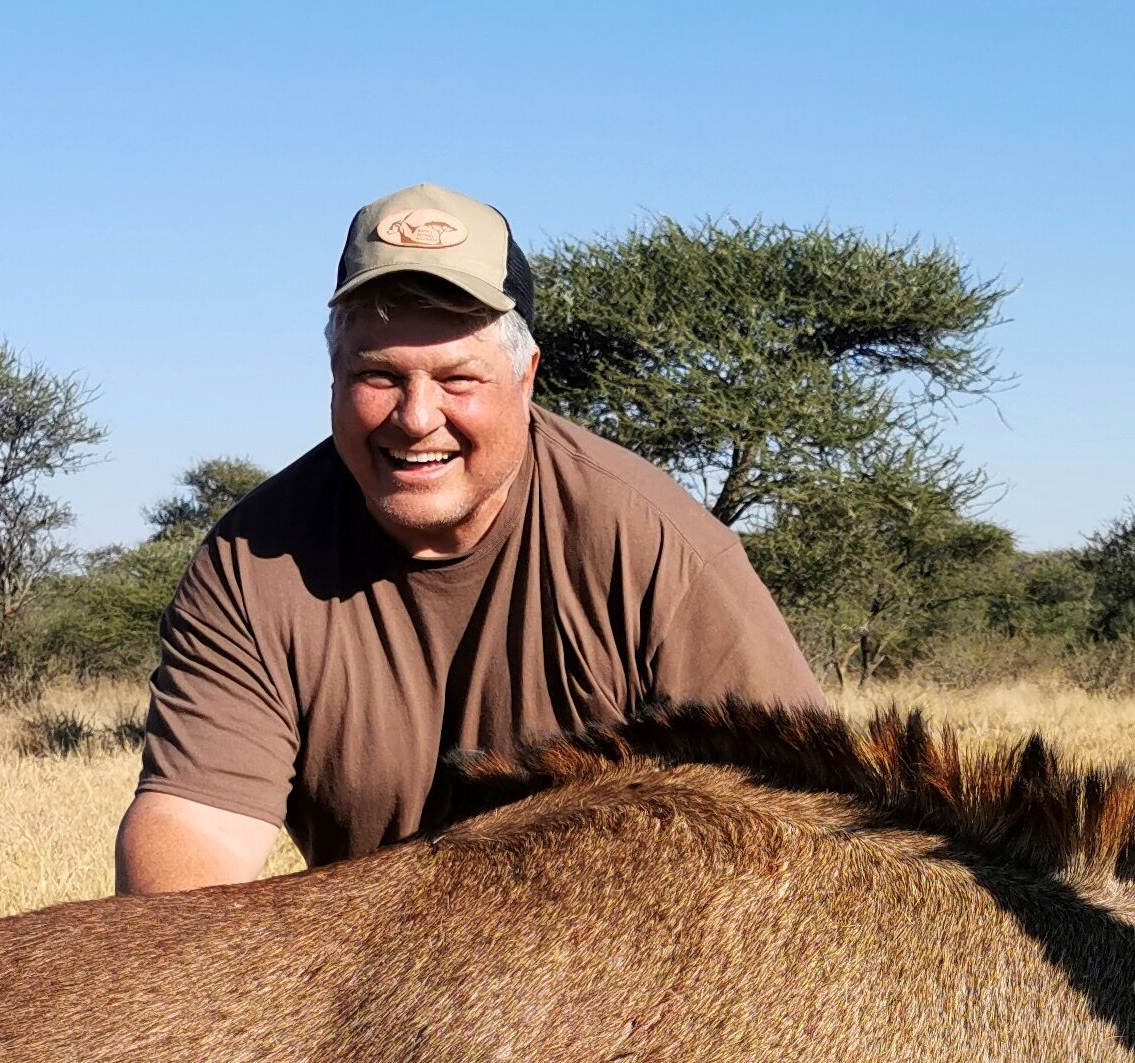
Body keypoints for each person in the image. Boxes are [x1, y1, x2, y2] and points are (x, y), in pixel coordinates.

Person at [115, 183, 824, 891]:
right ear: (333, 374)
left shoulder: (662, 551)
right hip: (368, 983)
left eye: (459, 378)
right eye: (379, 375)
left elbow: (812, 829)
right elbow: (195, 826)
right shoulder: (250, 561)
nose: (417, 416)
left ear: (527, 377)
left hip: (618, 977)